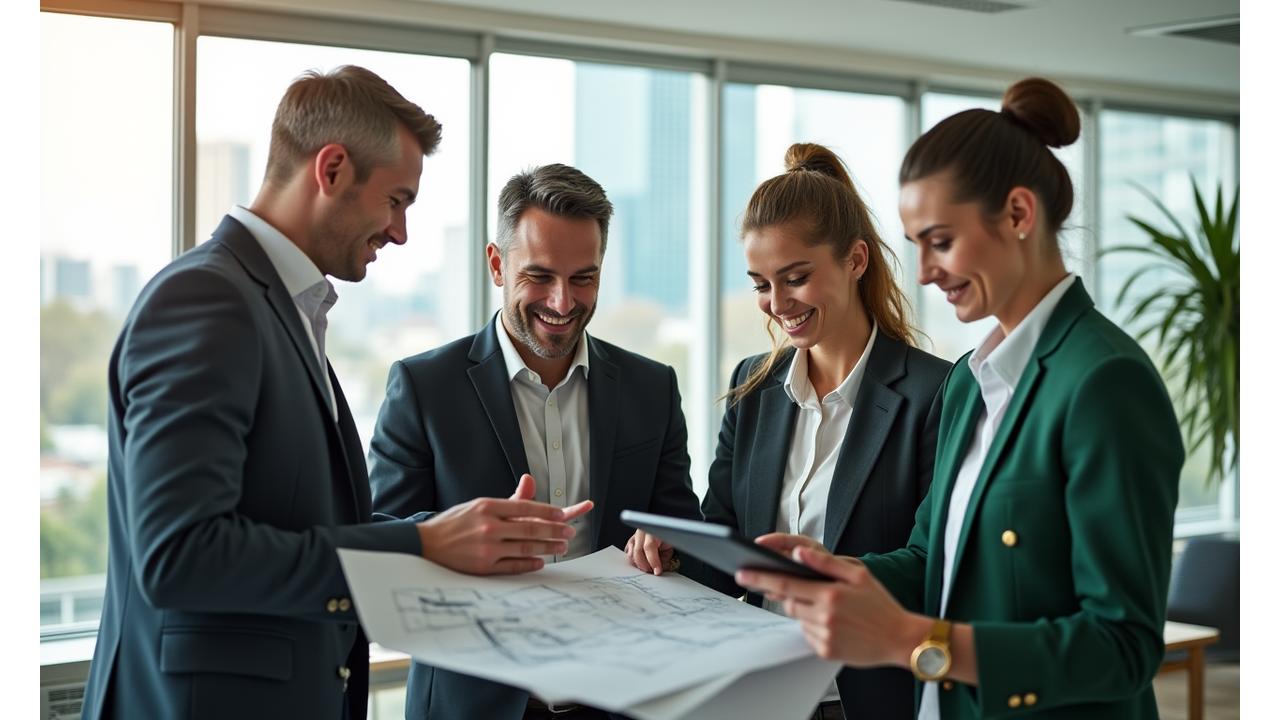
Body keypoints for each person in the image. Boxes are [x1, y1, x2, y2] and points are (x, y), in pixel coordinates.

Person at [82, 66, 590, 720]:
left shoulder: (277, 306)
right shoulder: (206, 299)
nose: (401, 231)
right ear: (332, 170)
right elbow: (181, 554)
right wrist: (423, 546)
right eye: (396, 200)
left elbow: (295, 522)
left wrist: (451, 531)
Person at [736, 78, 1184, 719]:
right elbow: (931, 561)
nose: (922, 272)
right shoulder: (973, 380)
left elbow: (1124, 646)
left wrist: (912, 640)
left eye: (941, 241)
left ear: (1020, 216)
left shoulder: (1104, 380)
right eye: (916, 243)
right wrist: (834, 572)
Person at [625, 143, 949, 720]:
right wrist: (675, 552)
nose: (777, 305)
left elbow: (936, 564)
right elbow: (727, 546)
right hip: (761, 695)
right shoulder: (753, 386)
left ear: (855, 260)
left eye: (795, 278)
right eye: (760, 284)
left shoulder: (935, 393)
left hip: (872, 699)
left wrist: (837, 571)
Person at [368, 162, 703, 720]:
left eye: (583, 278)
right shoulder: (424, 387)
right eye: (541, 276)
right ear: (497, 265)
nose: (563, 302)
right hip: (472, 705)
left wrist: (668, 549)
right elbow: (381, 552)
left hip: (620, 699)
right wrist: (468, 543)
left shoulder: (652, 388)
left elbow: (683, 535)